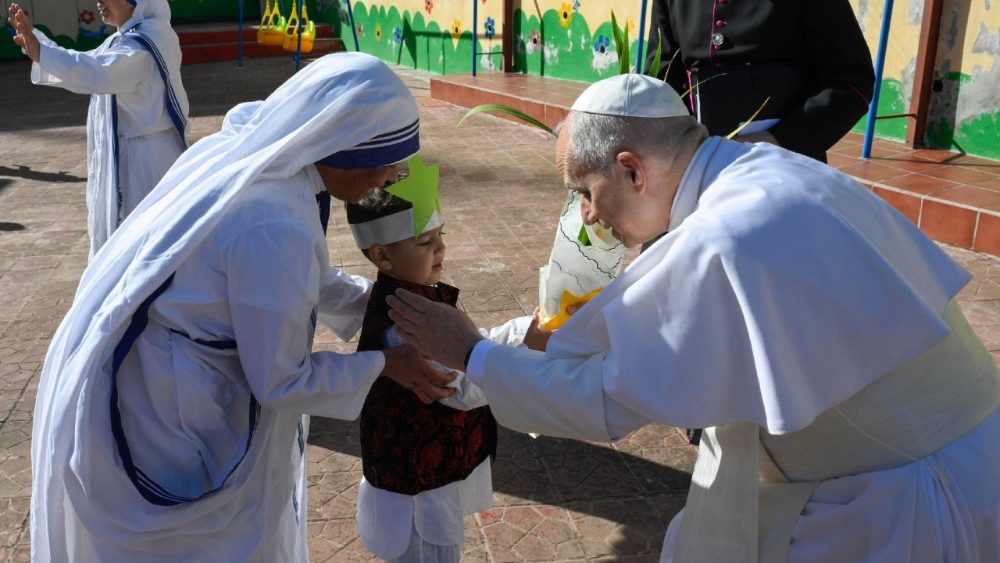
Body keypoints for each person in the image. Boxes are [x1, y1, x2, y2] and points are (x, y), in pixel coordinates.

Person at [386, 74, 1000, 562]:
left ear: (632, 170)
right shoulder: (765, 172)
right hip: (950, 462)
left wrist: (474, 356)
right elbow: (620, 328)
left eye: (584, 192)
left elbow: (608, 398)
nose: (589, 218)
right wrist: (516, 340)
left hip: (901, 506)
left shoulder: (725, 233)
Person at [30, 53, 457, 562]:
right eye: (385, 163)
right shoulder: (275, 221)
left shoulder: (266, 152)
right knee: (197, 545)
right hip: (181, 408)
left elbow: (300, 281)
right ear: (338, 146)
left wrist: (374, 303)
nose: (389, 179)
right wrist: (388, 364)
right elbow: (281, 380)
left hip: (171, 368)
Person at [345, 180, 536, 561]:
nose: (440, 249)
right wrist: (528, 346)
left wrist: (523, 330)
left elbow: (467, 345)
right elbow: (461, 386)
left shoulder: (414, 298)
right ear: (383, 256)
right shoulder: (403, 322)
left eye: (440, 236)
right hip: (417, 498)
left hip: (429, 486)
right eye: (425, 242)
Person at [8, 0, 188, 258]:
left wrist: (42, 52)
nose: (99, 1)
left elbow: (97, 72)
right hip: (131, 154)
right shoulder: (127, 38)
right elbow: (85, 62)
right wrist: (38, 44)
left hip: (144, 164)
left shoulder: (145, 43)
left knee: (142, 250)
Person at [643, 0, 874, 163]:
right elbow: (663, 79)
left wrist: (778, 139)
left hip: (785, 168)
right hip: (700, 168)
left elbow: (852, 81)